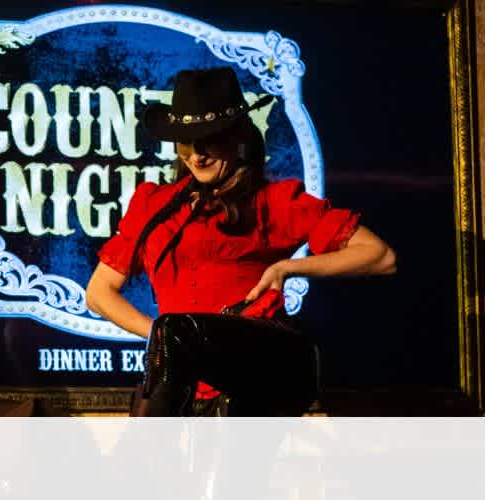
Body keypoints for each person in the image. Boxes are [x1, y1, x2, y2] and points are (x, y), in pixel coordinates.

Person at [85, 67, 396, 416]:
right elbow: (98, 293)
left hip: (253, 381)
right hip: (183, 390)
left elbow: (380, 255)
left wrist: (287, 268)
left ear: (238, 138)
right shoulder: (152, 204)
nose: (197, 155)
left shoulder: (272, 202)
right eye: (187, 142)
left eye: (210, 139)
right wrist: (168, 345)